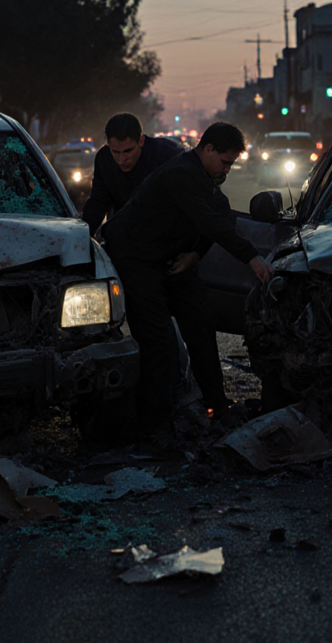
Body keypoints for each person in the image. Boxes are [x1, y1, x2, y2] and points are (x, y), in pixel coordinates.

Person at [102, 122, 274, 435]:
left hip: (174, 262)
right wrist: (251, 257)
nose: (227, 169)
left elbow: (221, 215)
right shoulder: (180, 174)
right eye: (225, 162)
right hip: (136, 260)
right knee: (159, 344)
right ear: (207, 149)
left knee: (202, 328)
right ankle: (156, 427)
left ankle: (218, 408)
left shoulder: (207, 179)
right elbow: (209, 221)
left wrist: (194, 254)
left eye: (231, 164)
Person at [81, 113, 182, 235]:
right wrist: (83, 235)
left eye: (128, 151)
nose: (122, 159)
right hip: (125, 235)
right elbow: (98, 202)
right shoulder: (104, 159)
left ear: (141, 140)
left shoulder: (168, 156)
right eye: (115, 152)